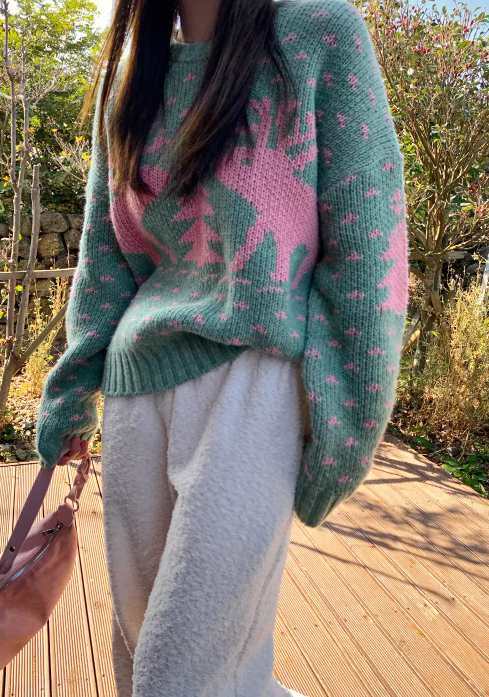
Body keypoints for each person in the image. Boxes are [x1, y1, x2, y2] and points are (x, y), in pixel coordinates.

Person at [35, 0, 409, 694]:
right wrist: (69, 390)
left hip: (253, 386)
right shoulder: (131, 78)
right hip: (135, 391)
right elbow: (104, 256)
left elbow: (368, 244)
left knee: (181, 674)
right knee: (144, 655)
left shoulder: (318, 36)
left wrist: (347, 422)